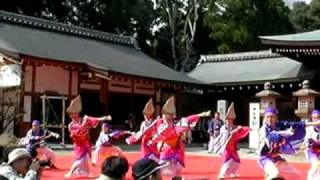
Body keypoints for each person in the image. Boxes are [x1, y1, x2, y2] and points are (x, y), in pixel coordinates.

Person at [129, 96, 210, 178]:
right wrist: (136, 138)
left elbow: (188, 119)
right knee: (160, 167)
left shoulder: (177, 124)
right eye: (164, 114)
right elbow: (147, 130)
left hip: (177, 149)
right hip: (164, 148)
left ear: (171, 115)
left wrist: (201, 114)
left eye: (166, 114)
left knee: (178, 169)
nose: (164, 116)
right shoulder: (159, 122)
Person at [258, 107, 320, 180]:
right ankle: (270, 174)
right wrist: (286, 133)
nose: (269, 119)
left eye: (272, 117)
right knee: (275, 174)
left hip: (276, 157)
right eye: (267, 117)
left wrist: (314, 123)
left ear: (276, 117)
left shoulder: (280, 125)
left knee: (295, 175)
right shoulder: (263, 130)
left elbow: (296, 125)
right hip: (265, 158)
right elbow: (272, 137)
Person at [64, 95, 111, 179]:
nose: (72, 116)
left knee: (85, 159)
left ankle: (86, 173)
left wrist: (105, 117)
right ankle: (70, 173)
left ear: (77, 113)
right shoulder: (71, 125)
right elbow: (76, 133)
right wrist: (83, 124)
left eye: (73, 114)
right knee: (80, 160)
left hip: (86, 142)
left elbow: (96, 119)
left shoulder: (85, 119)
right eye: (70, 114)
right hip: (79, 144)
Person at [213, 102, 250, 179]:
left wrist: (246, 129)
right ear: (226, 119)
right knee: (226, 161)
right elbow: (229, 133)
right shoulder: (224, 127)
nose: (229, 121)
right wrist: (236, 129)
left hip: (233, 147)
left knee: (236, 162)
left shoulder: (233, 127)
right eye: (228, 119)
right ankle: (221, 174)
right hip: (226, 147)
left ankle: (232, 173)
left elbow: (239, 131)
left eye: (231, 119)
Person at [305, 109, 320, 180]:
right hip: (312, 152)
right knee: (316, 164)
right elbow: (308, 142)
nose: (316, 119)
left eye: (318, 117)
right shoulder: (309, 129)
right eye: (314, 118)